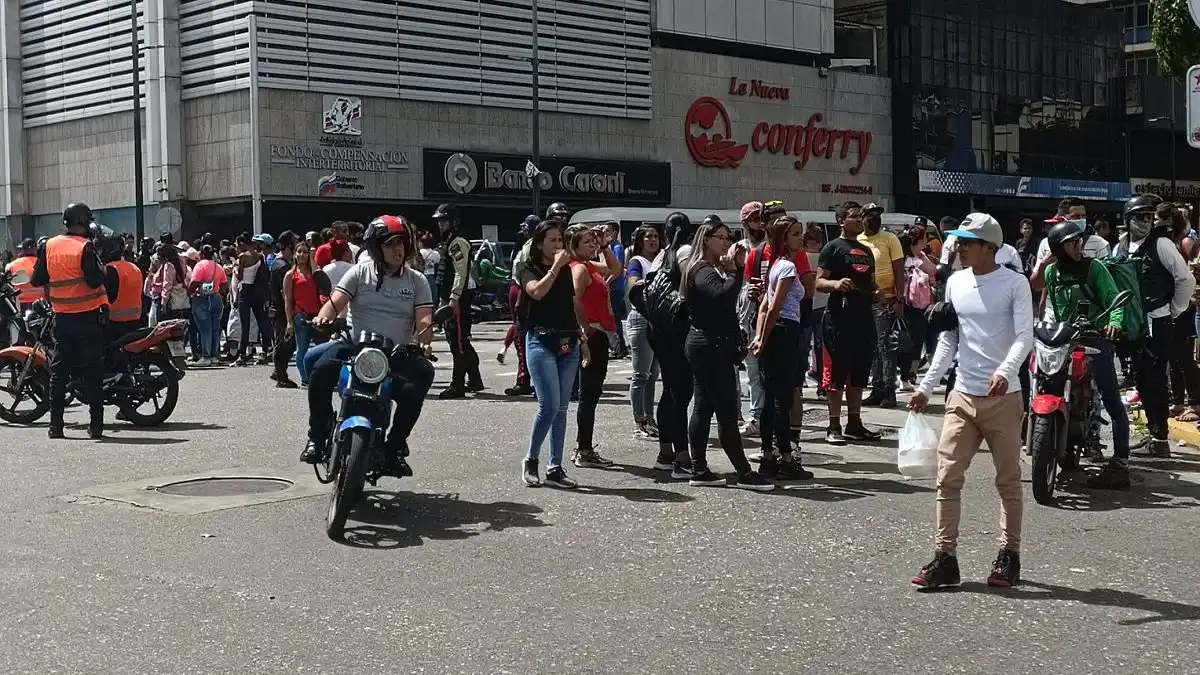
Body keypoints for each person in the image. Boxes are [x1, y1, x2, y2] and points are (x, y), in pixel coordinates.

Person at [909, 212, 1033, 590]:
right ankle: (945, 558)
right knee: (947, 478)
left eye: (967, 242)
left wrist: (1006, 371)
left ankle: (1008, 556)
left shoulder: (1015, 284)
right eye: (958, 241)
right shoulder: (956, 283)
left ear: (990, 247)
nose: (959, 247)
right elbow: (950, 340)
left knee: (1008, 480)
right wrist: (927, 386)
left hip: (1003, 398)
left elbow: (1024, 336)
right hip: (962, 394)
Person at [302, 215, 436, 476]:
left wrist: (426, 341)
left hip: (395, 354)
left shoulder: (417, 281)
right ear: (376, 248)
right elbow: (335, 302)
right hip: (355, 347)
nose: (398, 250)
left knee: (419, 382)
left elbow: (424, 318)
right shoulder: (359, 272)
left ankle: (395, 447)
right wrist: (324, 316)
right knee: (318, 374)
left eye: (402, 243)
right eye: (390, 244)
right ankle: (317, 437)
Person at [681, 216, 774, 491]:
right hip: (709, 345)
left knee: (704, 406)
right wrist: (735, 271)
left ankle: (699, 468)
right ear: (706, 239)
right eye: (721, 237)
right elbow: (722, 296)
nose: (727, 242)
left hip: (709, 343)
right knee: (725, 409)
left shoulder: (709, 267)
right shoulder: (701, 269)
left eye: (727, 238)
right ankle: (743, 472)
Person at [1041, 220, 1132, 489]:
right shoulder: (1051, 273)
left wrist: (1114, 323)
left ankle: (1121, 464)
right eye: (1071, 243)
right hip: (1065, 338)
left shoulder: (1095, 268)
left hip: (1096, 336)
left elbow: (1113, 298)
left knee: (1112, 399)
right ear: (1058, 249)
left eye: (1079, 242)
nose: (1078, 247)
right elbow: (1053, 307)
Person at [1114, 196, 1195, 458]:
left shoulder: (1161, 244)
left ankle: (1160, 438)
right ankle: (1152, 432)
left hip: (1156, 322)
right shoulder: (1121, 247)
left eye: (1149, 217)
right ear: (1128, 219)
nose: (1145, 222)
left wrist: (1173, 311)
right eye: (1139, 217)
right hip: (1132, 324)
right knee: (1140, 379)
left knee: (1156, 380)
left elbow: (1185, 280)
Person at [519, 220, 588, 489]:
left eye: (561, 240)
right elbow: (536, 292)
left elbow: (570, 305)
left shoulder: (567, 272)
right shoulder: (529, 270)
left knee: (561, 409)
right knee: (548, 406)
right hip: (540, 341)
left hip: (567, 342)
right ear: (540, 244)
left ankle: (555, 467)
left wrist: (582, 337)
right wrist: (557, 266)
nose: (558, 245)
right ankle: (531, 459)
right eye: (552, 240)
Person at [30, 203, 107, 439]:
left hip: (62, 318)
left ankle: (56, 426)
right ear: (83, 222)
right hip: (87, 317)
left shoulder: (49, 245)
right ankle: (95, 426)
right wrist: (102, 270)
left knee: (58, 373)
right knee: (93, 371)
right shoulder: (85, 247)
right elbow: (94, 281)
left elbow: (36, 279)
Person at [748, 214, 815, 480]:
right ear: (784, 238)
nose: (801, 238)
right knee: (782, 398)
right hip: (786, 331)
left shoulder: (775, 264)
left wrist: (759, 336)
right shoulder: (786, 267)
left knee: (770, 394)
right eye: (796, 233)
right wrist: (762, 337)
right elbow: (773, 306)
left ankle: (768, 457)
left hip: (776, 331)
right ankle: (785, 458)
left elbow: (765, 304)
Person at [816, 202, 882, 445]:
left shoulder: (866, 250)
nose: (858, 220)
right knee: (837, 375)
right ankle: (833, 425)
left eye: (860, 217)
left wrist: (877, 291)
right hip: (838, 319)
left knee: (859, 374)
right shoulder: (831, 248)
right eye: (854, 216)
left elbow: (869, 282)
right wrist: (836, 284)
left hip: (864, 318)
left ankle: (854, 423)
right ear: (841, 221)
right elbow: (819, 283)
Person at [566, 224, 622, 468]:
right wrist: (584, 332)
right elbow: (574, 300)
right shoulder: (579, 269)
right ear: (574, 246)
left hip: (597, 335)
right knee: (589, 395)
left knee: (591, 394)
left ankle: (583, 445)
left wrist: (605, 245)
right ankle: (584, 450)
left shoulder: (588, 265)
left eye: (593, 241)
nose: (592, 245)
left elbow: (615, 268)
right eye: (587, 242)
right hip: (591, 336)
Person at [432, 203, 484, 398]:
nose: (441, 224)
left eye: (444, 221)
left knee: (458, 344)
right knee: (458, 341)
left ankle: (458, 384)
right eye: (439, 221)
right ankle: (475, 379)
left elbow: (460, 273)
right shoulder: (448, 242)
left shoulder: (458, 242)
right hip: (448, 298)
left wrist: (454, 298)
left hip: (457, 300)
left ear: (454, 222)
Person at [857, 203, 905, 408]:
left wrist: (899, 299)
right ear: (863, 219)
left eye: (877, 215)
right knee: (872, 348)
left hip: (887, 301)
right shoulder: (858, 241)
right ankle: (876, 389)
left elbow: (899, 271)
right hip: (867, 300)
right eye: (871, 216)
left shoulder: (890, 239)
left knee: (886, 348)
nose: (875, 219)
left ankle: (889, 391)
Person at [735, 200, 771, 436]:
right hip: (742, 313)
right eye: (754, 218)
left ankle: (758, 416)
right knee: (743, 368)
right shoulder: (738, 248)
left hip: (766, 310)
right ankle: (736, 412)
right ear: (745, 222)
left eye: (761, 217)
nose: (759, 221)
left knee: (758, 371)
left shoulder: (771, 246)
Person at [625, 225, 664, 438]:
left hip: (658, 320)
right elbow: (633, 284)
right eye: (648, 236)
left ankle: (650, 418)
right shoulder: (637, 261)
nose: (653, 240)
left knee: (652, 375)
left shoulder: (660, 260)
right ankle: (639, 420)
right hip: (641, 318)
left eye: (656, 236)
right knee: (640, 374)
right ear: (640, 240)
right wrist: (652, 284)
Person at [503, 216, 539, 397]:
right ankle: (524, 379)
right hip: (519, 289)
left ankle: (524, 380)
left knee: (522, 336)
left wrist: (522, 297)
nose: (523, 231)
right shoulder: (527, 244)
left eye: (527, 228)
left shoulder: (534, 246)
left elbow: (525, 271)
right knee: (521, 336)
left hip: (524, 291)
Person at [898, 225, 936, 391]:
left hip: (920, 304)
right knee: (906, 341)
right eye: (924, 238)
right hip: (905, 303)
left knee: (918, 339)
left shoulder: (920, 256)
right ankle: (904, 375)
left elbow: (932, 270)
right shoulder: (905, 259)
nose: (926, 241)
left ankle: (911, 374)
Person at [283, 240, 322, 387]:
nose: (302, 255)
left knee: (321, 347)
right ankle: (305, 378)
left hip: (317, 315)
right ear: (294, 254)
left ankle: (320, 376)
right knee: (302, 349)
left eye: (305, 252)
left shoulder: (315, 272)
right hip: (300, 316)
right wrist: (289, 322)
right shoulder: (290, 275)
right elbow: (287, 299)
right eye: (299, 252)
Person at [268, 232, 300, 389]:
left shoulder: (282, 263)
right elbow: (285, 293)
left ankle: (279, 371)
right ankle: (281, 376)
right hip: (281, 310)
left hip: (280, 309)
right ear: (288, 246)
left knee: (288, 342)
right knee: (284, 343)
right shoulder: (282, 267)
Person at [234, 234, 271, 365]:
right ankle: (266, 350)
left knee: (245, 325)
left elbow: (239, 276)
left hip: (245, 290)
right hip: (257, 290)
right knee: (261, 322)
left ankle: (243, 354)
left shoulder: (242, 257)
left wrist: (235, 268)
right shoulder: (260, 256)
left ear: (243, 244)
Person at [188, 245, 227, 366]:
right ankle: (214, 355)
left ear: (202, 254)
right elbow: (224, 286)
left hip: (201, 298)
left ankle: (206, 356)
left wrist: (189, 293)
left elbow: (194, 282)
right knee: (215, 328)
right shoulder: (218, 266)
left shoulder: (200, 266)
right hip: (216, 297)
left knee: (205, 329)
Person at [5, 238, 41, 307]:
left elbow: (6, 284)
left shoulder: (11, 265)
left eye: (20, 249)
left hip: (20, 303)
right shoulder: (43, 263)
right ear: (36, 249)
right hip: (41, 303)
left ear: (23, 250)